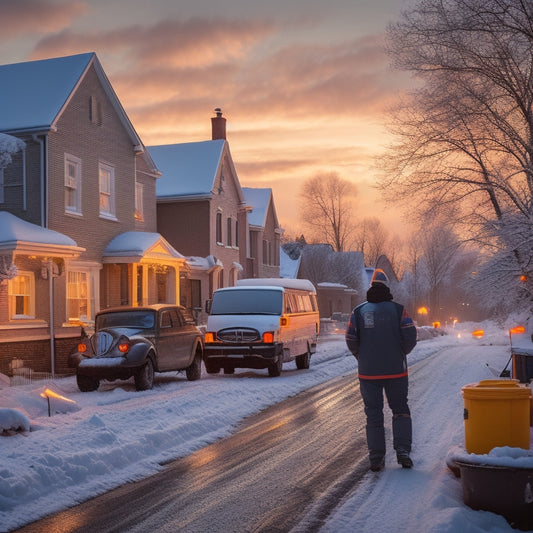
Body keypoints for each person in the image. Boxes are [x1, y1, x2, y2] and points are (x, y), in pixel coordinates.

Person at [345, 269, 417, 472]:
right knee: (400, 410)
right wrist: (399, 353)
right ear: (387, 287)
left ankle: (376, 458)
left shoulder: (358, 311)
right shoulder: (398, 310)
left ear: (371, 287)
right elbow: (410, 336)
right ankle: (402, 451)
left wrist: (362, 356)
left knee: (373, 414)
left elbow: (350, 338)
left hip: (368, 373)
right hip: (396, 371)